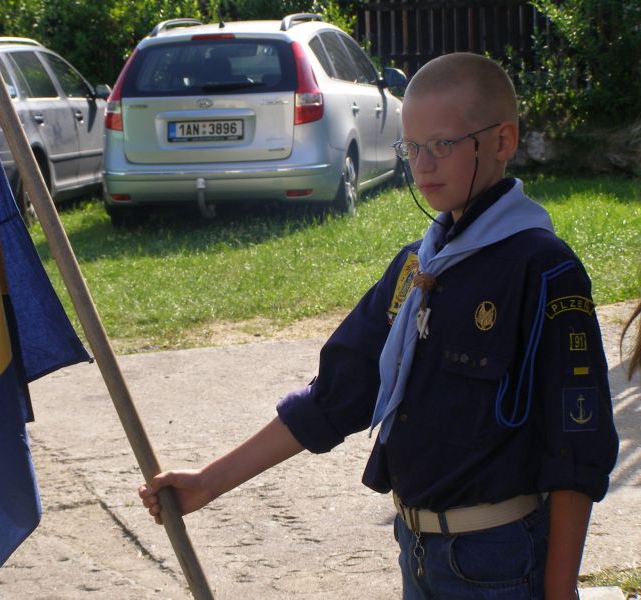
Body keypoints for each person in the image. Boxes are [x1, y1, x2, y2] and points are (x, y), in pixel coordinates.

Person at [138, 52, 619, 599]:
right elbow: (336, 394)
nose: (423, 165)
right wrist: (208, 483)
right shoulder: (418, 266)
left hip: (499, 562)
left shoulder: (543, 269)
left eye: (442, 144)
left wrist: (560, 589)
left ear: (503, 141)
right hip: (417, 549)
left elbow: (575, 447)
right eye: (411, 147)